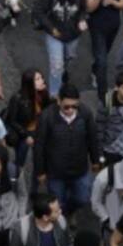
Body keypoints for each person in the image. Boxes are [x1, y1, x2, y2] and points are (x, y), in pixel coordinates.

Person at [34, 83, 102, 218]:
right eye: (66, 107)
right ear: (59, 101)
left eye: (74, 106)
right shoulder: (47, 117)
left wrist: (96, 160)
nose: (70, 110)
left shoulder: (86, 113)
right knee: (58, 202)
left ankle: (69, 213)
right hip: (55, 172)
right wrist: (40, 171)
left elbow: (93, 138)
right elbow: (39, 146)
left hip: (80, 169)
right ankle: (62, 220)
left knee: (83, 198)